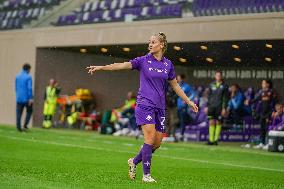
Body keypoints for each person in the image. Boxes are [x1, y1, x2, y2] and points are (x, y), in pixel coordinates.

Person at [86, 32, 198, 183]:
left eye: (153, 42)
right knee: (150, 138)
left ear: (162, 45)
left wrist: (188, 101)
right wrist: (101, 67)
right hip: (145, 105)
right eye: (149, 42)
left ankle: (134, 161)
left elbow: (175, 86)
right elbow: (122, 65)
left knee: (157, 143)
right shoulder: (143, 60)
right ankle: (147, 175)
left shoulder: (168, 64)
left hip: (160, 107)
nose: (150, 44)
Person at [247, 79, 275, 149]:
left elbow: (273, 102)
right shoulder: (261, 92)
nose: (262, 85)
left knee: (267, 128)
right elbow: (256, 99)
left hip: (269, 113)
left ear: (268, 84)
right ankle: (262, 143)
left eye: (264, 83)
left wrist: (273, 111)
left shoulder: (271, 92)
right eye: (262, 83)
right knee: (262, 128)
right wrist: (249, 101)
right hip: (262, 113)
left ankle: (268, 143)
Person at [206, 71, 229, 145]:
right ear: (215, 76)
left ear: (221, 76)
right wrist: (207, 106)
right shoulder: (211, 85)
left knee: (218, 122)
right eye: (217, 75)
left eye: (219, 75)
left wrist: (224, 108)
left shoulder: (224, 86)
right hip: (211, 107)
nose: (218, 76)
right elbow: (208, 97)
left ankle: (216, 140)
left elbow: (225, 98)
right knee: (211, 122)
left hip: (219, 107)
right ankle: (211, 140)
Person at [176, 74, 196, 141]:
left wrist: (187, 100)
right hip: (176, 107)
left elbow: (193, 94)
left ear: (182, 79)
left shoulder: (186, 86)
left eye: (179, 78)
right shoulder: (176, 85)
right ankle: (174, 134)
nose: (178, 79)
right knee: (175, 121)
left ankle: (181, 134)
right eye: (177, 78)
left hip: (183, 107)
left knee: (182, 121)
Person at [15, 63, 33, 132]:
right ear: (28, 69)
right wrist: (30, 98)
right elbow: (29, 88)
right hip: (26, 98)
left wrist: (18, 95)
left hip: (19, 98)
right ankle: (25, 125)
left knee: (19, 113)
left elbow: (16, 88)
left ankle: (18, 127)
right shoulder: (28, 77)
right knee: (29, 111)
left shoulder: (17, 76)